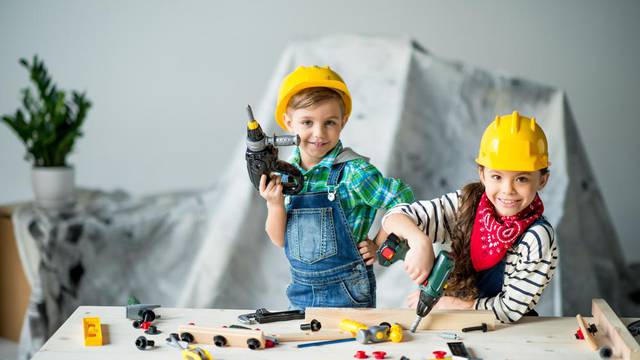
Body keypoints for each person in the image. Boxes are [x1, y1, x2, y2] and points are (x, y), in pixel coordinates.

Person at [259, 65, 414, 309]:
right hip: (300, 292)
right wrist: (274, 203)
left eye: (329, 122)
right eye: (307, 122)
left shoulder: (354, 172)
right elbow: (280, 239)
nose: (318, 133)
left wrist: (381, 244)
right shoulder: (286, 173)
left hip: (348, 292)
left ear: (343, 121)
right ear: (288, 123)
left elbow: (400, 197)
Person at [379, 111, 557, 322]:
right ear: (482, 174)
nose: (507, 189)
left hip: (504, 330)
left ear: (543, 180)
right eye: (497, 176)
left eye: (521, 179)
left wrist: (456, 305)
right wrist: (420, 242)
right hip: (454, 322)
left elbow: (510, 309)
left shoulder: (537, 238)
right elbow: (395, 216)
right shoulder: (464, 205)